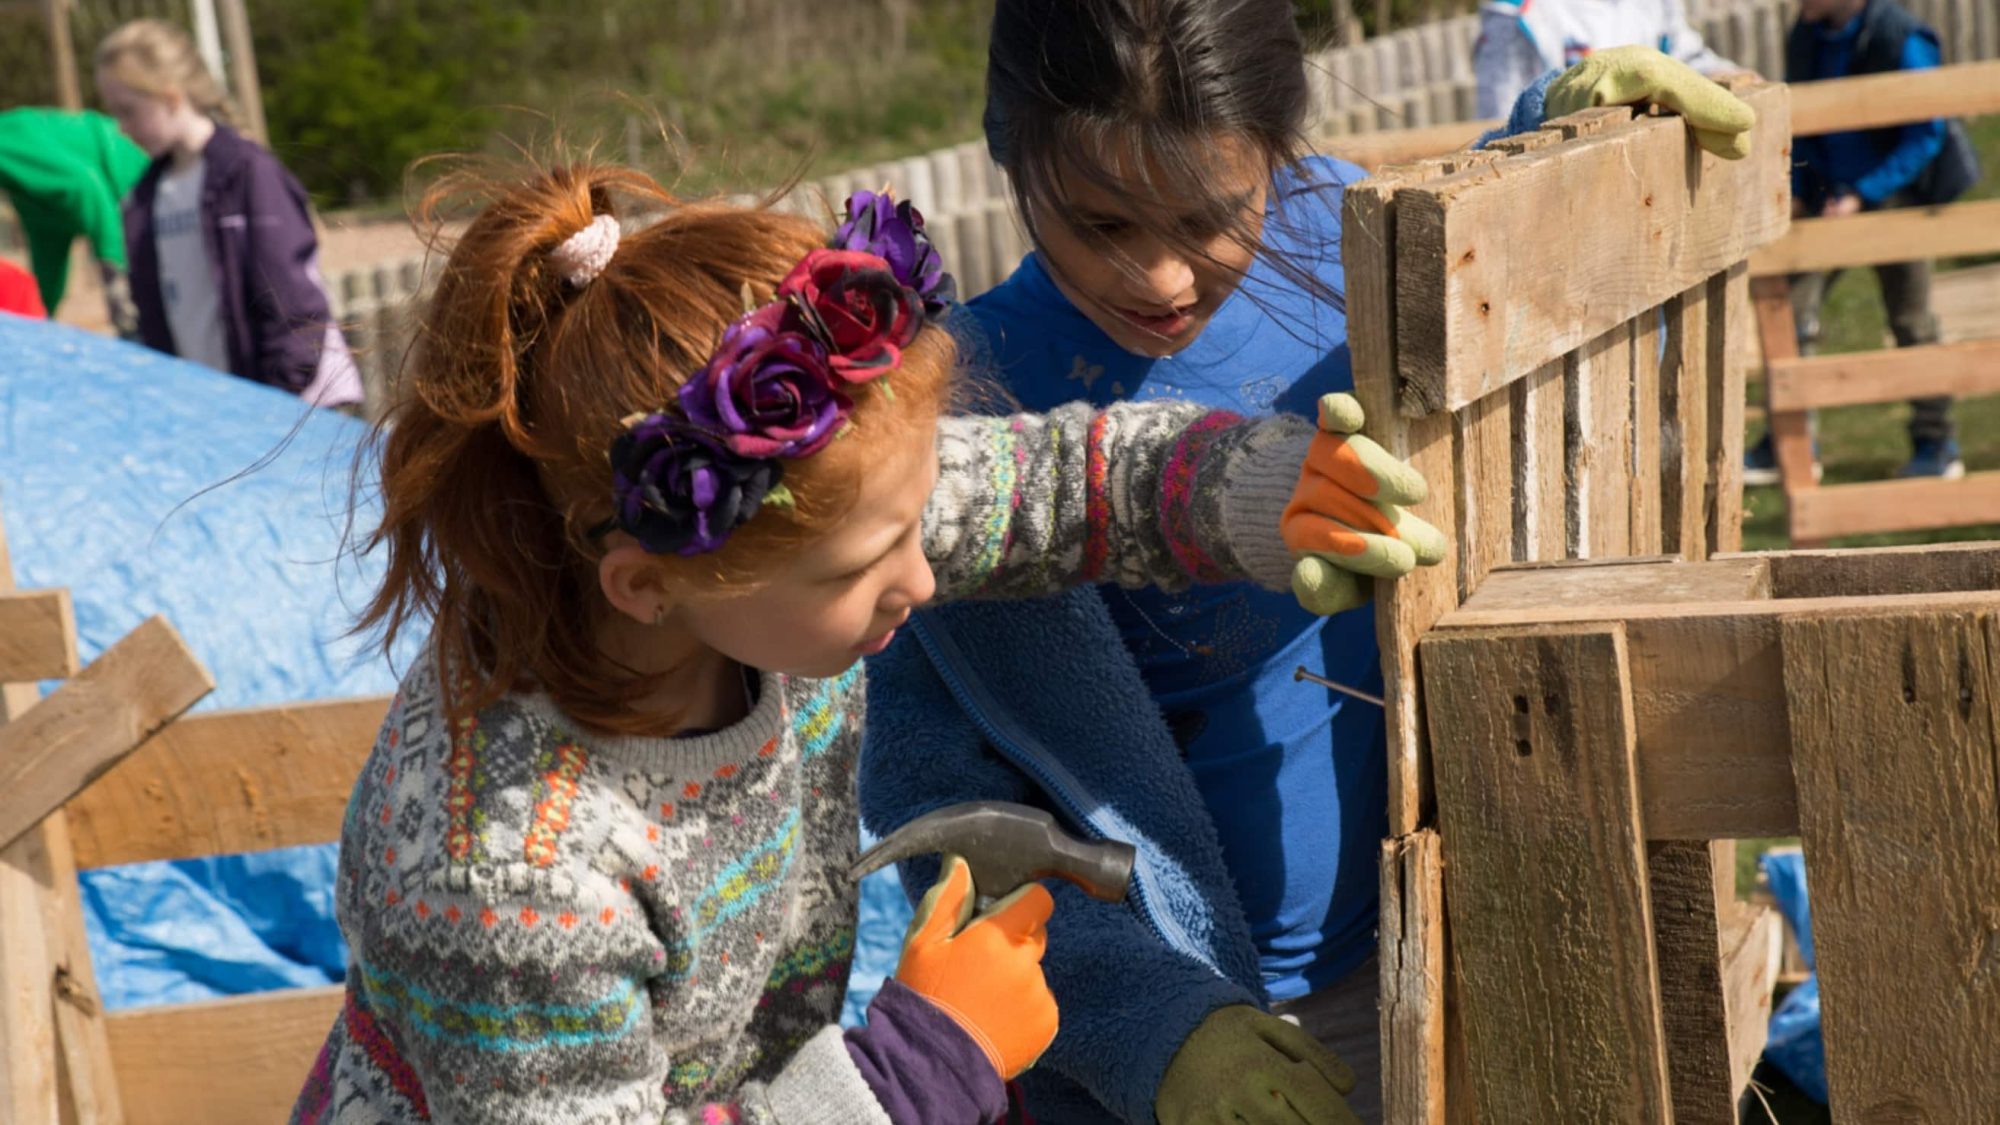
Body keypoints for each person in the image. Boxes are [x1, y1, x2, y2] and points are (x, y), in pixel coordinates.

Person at [288, 152, 1440, 1124]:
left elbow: (1042, 487)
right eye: (865, 566)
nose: (924, 575)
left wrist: (1259, 487)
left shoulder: (763, 554)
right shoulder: (509, 873)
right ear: (645, 584)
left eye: (911, 520)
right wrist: (918, 1067)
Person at [857, 0, 1757, 1120]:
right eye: (1100, 225)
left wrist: (1553, 147)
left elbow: (1469, 272)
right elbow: (939, 805)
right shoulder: (953, 419)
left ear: (1277, 155)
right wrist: (1156, 1028)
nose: (1161, 280)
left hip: (1455, 944)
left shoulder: (1354, 246)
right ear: (1006, 148)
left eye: (1207, 220)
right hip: (1177, 1051)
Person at [1743, 0, 1981, 484]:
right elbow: (1801, 119)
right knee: (1791, 312)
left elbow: (1925, 133)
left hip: (1895, 196)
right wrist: (1804, 187)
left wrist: (1864, 193)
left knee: (1911, 320)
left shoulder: (1900, 36)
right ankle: (1790, 443)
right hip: (1828, 196)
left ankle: (1936, 444)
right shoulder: (1807, 34)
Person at [95, 19, 362, 409]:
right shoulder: (145, 199)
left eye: (128, 111)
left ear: (170, 96)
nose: (121, 128)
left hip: (297, 411)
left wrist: (277, 401)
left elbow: (293, 302)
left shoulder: (246, 174)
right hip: (221, 410)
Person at [0, 107, 149, 330]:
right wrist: (40, 320)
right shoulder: (25, 185)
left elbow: (89, 190)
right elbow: (48, 243)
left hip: (136, 179)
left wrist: (113, 266)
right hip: (127, 197)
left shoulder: (8, 141)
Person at [1473, 0, 1736, 120]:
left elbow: (1687, 56)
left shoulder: (1654, 5)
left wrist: (1727, 76)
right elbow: (1505, 122)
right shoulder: (1519, 15)